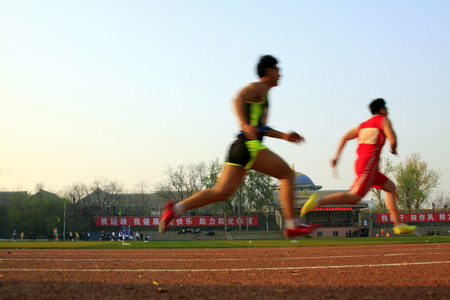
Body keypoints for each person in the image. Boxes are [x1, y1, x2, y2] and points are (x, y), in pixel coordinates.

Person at [159, 55, 318, 238]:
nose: (280, 74)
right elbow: (238, 99)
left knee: (221, 192)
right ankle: (292, 224)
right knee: (287, 174)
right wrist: (244, 124)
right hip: (249, 146)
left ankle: (176, 208)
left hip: (239, 148)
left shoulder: (264, 94)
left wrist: (284, 136)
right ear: (268, 71)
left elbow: (261, 128)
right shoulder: (258, 87)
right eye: (277, 69)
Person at [301, 98, 417, 235]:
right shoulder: (384, 121)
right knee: (354, 197)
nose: (387, 111)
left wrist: (337, 157)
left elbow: (344, 137)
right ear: (381, 110)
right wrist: (394, 147)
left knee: (391, 188)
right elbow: (392, 139)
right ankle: (318, 202)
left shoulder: (363, 126)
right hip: (368, 166)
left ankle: (398, 225)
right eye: (386, 109)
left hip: (367, 166)